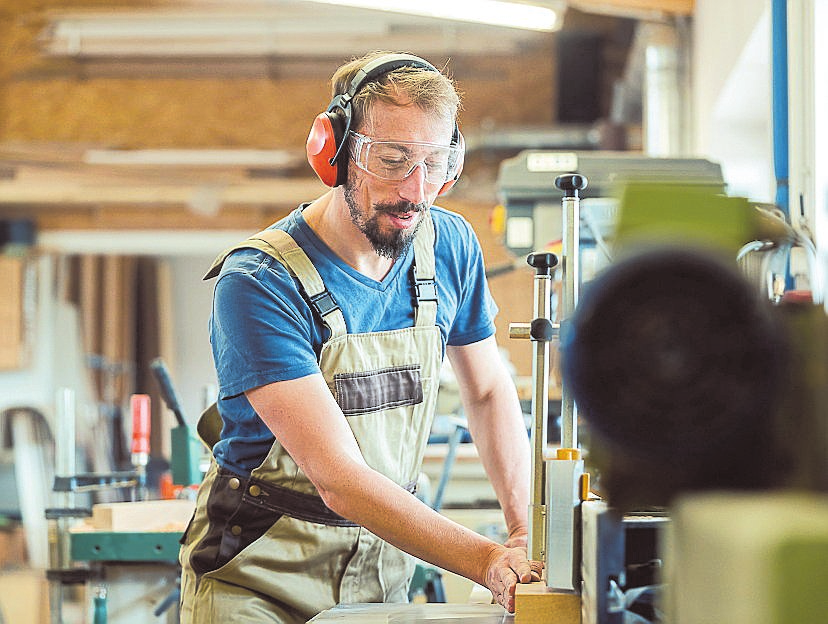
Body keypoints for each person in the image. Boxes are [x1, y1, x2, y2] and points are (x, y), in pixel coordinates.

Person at [179, 50, 538, 623]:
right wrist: (488, 558)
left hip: (379, 575)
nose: (415, 190)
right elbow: (340, 480)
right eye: (392, 160)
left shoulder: (449, 246)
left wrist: (524, 533)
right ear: (336, 151)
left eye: (435, 162)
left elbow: (490, 391)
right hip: (258, 579)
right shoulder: (260, 282)